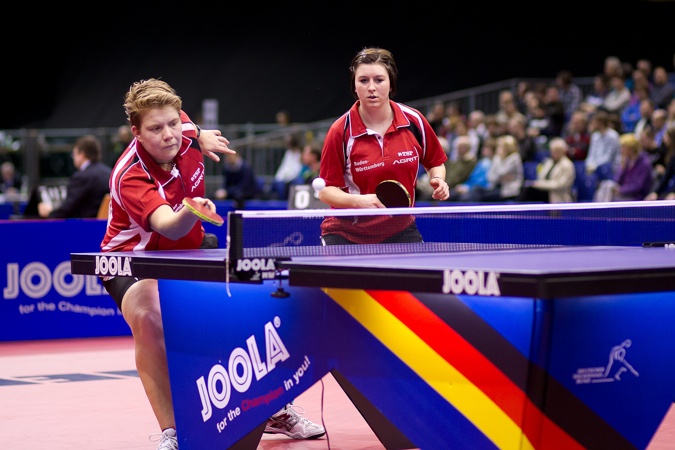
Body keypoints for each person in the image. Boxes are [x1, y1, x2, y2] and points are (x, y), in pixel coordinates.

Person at [99, 79, 324, 450]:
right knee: (148, 315)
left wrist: (200, 135)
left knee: (244, 303)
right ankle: (173, 432)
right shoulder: (129, 175)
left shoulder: (182, 128)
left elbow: (188, 126)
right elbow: (167, 227)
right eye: (155, 129)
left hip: (190, 247)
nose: (169, 135)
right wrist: (192, 209)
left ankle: (271, 408)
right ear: (136, 132)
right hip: (133, 259)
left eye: (173, 124)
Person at [317, 47, 449, 244]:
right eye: (363, 80)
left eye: (379, 80)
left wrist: (438, 180)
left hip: (400, 230)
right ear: (354, 86)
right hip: (348, 234)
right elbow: (325, 191)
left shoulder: (414, 121)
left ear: (390, 83)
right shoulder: (341, 131)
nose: (371, 87)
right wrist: (359, 201)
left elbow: (434, 162)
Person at [37, 135, 112, 219]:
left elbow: (67, 210)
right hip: (106, 226)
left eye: (74, 154)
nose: (73, 158)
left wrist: (50, 213)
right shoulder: (110, 173)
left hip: (83, 228)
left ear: (82, 155)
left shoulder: (82, 177)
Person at [593, 133, 652, 202]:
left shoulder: (644, 163)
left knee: (608, 192)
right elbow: (616, 180)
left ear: (631, 149)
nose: (621, 150)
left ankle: (602, 211)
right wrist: (622, 168)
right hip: (623, 193)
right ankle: (599, 209)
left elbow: (638, 186)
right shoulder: (626, 161)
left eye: (623, 147)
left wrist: (621, 190)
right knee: (605, 185)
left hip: (635, 196)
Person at [465, 134, 524, 202]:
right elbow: (490, 177)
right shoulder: (498, 158)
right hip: (496, 187)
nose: (498, 149)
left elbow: (502, 172)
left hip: (509, 191)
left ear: (507, 147)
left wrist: (499, 171)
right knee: (476, 190)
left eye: (500, 146)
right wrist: (501, 177)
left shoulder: (514, 158)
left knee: (479, 194)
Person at [517, 137, 575, 203]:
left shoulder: (567, 165)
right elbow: (541, 177)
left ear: (563, 151)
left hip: (556, 194)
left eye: (557, 151)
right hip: (544, 191)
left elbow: (560, 185)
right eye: (553, 151)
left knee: (529, 191)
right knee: (526, 188)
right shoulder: (548, 162)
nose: (554, 153)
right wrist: (537, 184)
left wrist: (540, 184)